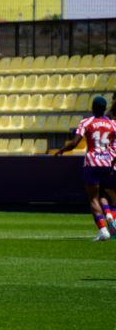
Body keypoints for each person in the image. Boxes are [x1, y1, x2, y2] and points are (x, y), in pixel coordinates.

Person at [56, 96, 116, 242]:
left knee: (93, 199)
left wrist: (61, 150)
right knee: (101, 193)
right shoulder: (112, 124)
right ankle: (108, 214)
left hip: (92, 162)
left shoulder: (86, 122)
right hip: (107, 163)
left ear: (93, 108)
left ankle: (103, 231)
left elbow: (74, 143)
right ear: (105, 109)